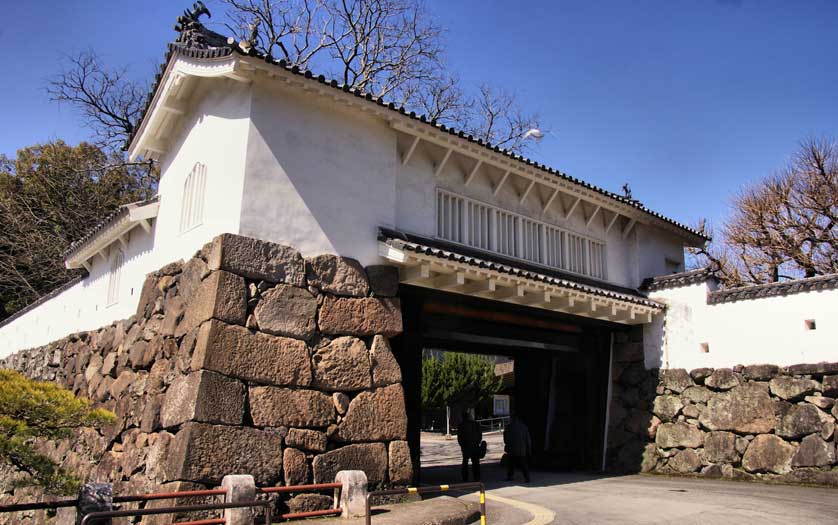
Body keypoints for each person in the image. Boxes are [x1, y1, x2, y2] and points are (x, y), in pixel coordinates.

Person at [503, 414, 531, 482]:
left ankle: (510, 476)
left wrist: (508, 445)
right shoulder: (524, 427)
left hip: (511, 449)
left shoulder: (508, 427)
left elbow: (505, 438)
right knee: (523, 464)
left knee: (511, 464)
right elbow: (528, 439)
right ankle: (527, 477)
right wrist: (529, 449)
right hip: (521, 449)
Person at [457, 409, 482, 482]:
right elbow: (480, 435)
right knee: (475, 462)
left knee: (465, 462)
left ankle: (465, 477)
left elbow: (460, 438)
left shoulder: (461, 426)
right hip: (474, 445)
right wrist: (477, 442)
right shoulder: (475, 424)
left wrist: (462, 445)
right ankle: (477, 477)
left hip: (466, 446)